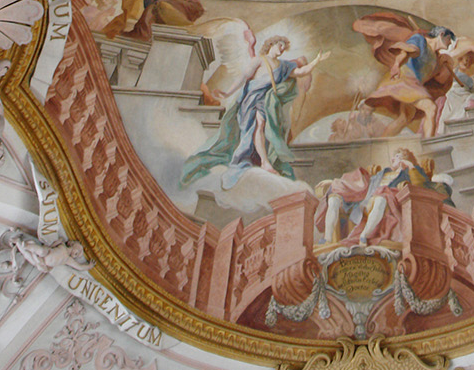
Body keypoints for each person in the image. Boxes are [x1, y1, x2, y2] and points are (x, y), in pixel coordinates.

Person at [181, 35, 329, 187]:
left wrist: (317, 60)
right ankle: (262, 161)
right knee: (255, 127)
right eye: (280, 45)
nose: (282, 49)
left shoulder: (283, 65)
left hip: (266, 100)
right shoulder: (259, 60)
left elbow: (301, 72)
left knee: (261, 125)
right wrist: (227, 93)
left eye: (284, 47)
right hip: (251, 98)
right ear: (271, 44)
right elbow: (244, 77)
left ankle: (264, 161)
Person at [316, 148, 450, 246]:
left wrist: (410, 166)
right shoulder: (383, 173)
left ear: (405, 159)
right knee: (334, 198)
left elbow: (420, 185)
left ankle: (364, 236)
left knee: (381, 198)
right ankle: (327, 239)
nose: (392, 159)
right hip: (365, 201)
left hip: (385, 203)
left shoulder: (410, 172)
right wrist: (333, 182)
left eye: (397, 156)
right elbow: (362, 184)